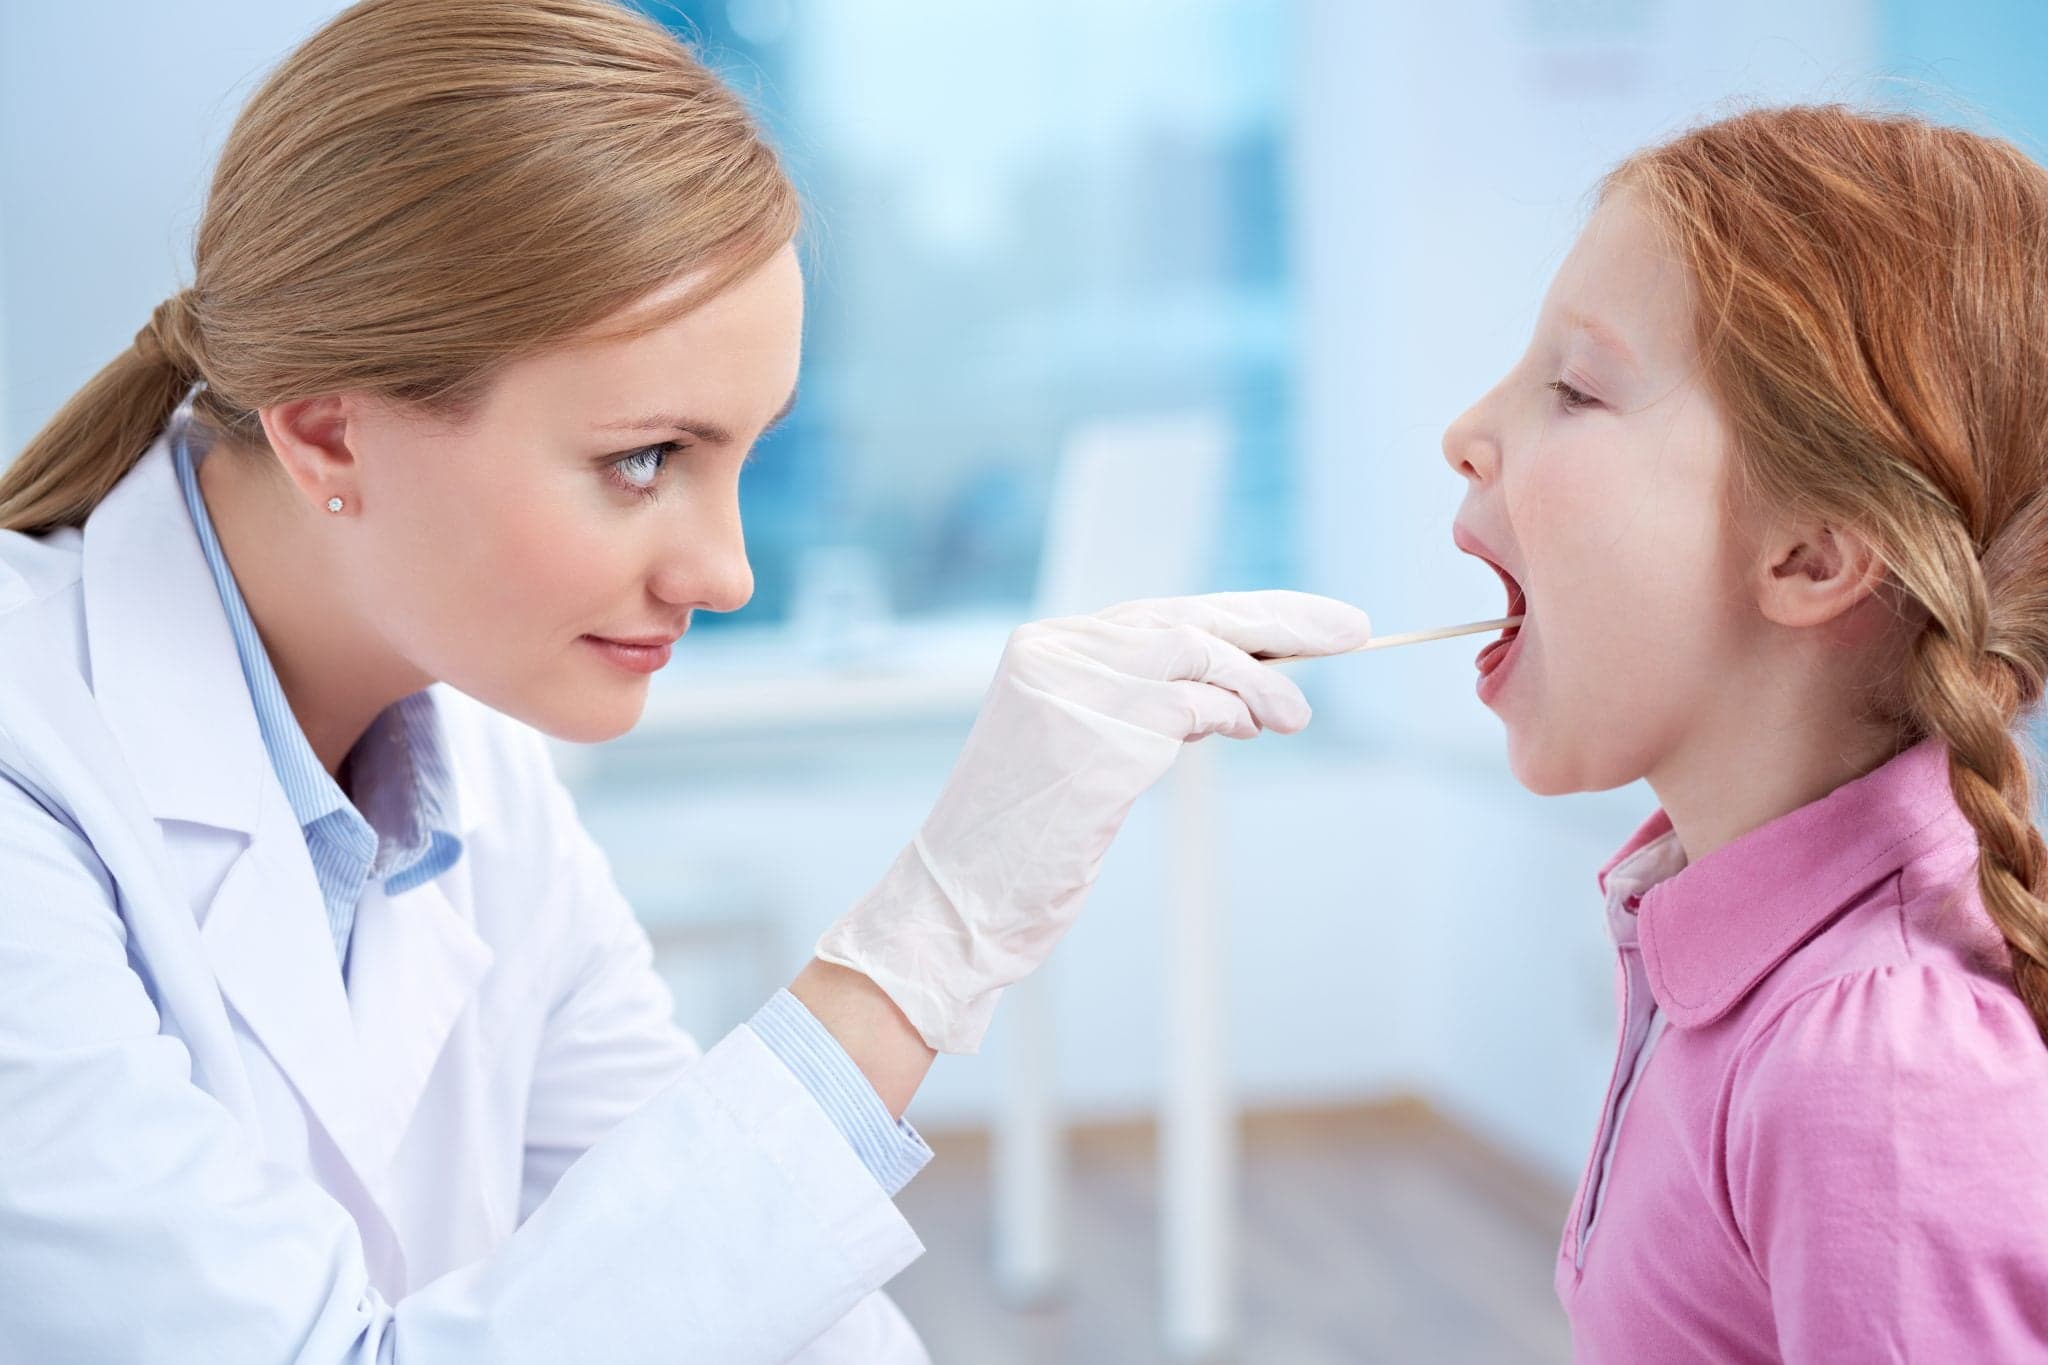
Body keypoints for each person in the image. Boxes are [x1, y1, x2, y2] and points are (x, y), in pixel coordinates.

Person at [0, 1, 1373, 1360]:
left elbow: (751, 1308)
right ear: (325, 435)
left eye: (744, 456)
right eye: (644, 459)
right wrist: (916, 957)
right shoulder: (30, 780)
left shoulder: (473, 769)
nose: (726, 575)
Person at [1442, 103, 2048, 1359]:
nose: (1467, 433)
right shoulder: (1715, 939)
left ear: (1812, 552)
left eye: (1572, 386)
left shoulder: (1873, 1075)